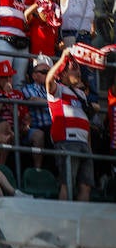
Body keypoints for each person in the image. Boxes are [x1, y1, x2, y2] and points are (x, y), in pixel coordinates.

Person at [45, 48, 94, 201]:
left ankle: (80, 221)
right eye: (74, 69)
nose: (79, 72)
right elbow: (48, 80)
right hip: (67, 142)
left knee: (86, 185)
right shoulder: (57, 90)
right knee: (67, 184)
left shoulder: (81, 94)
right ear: (64, 73)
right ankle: (64, 223)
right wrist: (62, 59)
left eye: (79, 69)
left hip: (84, 144)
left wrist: (89, 147)